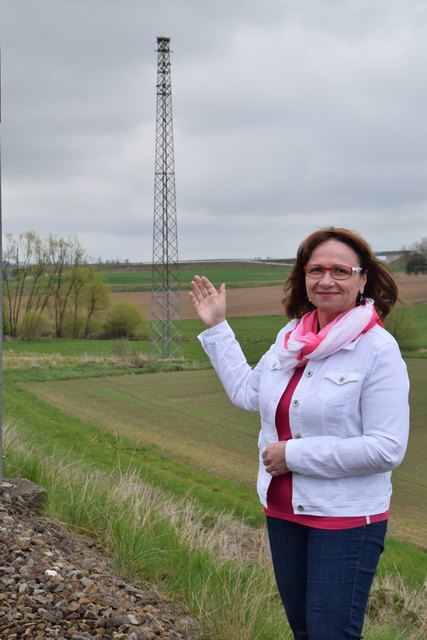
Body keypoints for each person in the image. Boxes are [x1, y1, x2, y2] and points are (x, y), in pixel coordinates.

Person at [189, 227, 409, 640]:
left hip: (344, 520)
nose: (326, 280)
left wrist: (293, 455)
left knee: (330, 634)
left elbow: (386, 448)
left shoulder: (378, 349)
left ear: (363, 280)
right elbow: (246, 393)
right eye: (316, 270)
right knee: (305, 632)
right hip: (284, 512)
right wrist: (218, 327)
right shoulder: (290, 339)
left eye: (341, 271)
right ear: (303, 277)